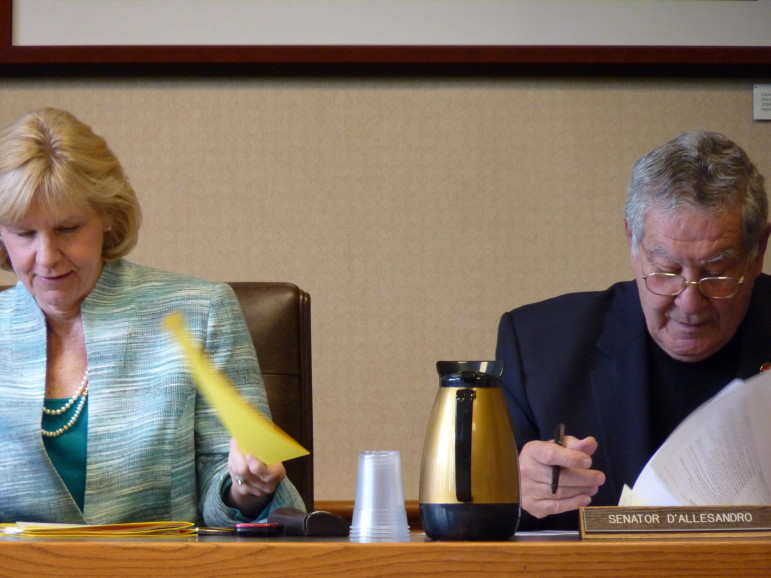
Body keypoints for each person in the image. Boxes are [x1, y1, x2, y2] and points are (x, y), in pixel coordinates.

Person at [0, 107, 305, 525]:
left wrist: (245, 488)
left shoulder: (201, 313)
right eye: (24, 233)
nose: (47, 257)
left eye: (68, 229)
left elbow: (234, 489)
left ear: (107, 215)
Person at [496, 131, 771, 530]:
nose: (689, 302)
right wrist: (514, 493)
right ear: (632, 240)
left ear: (758, 250)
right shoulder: (540, 346)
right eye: (666, 270)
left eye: (716, 273)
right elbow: (480, 519)